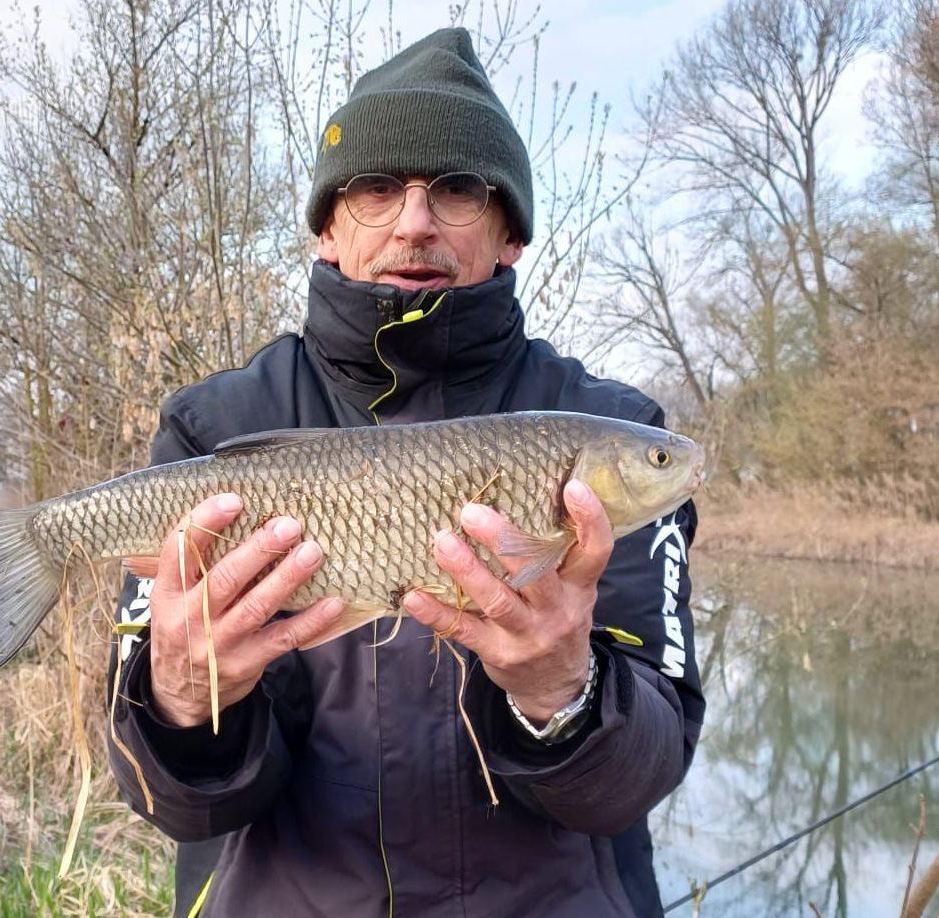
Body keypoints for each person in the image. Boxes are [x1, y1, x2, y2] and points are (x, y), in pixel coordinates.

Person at [108, 27, 703, 918]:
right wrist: (180, 698)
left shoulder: (608, 432)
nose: (414, 222)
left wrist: (563, 694)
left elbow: (642, 772)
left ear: (509, 234)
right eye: (376, 188)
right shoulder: (211, 431)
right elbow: (173, 806)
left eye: (457, 189)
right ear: (327, 227)